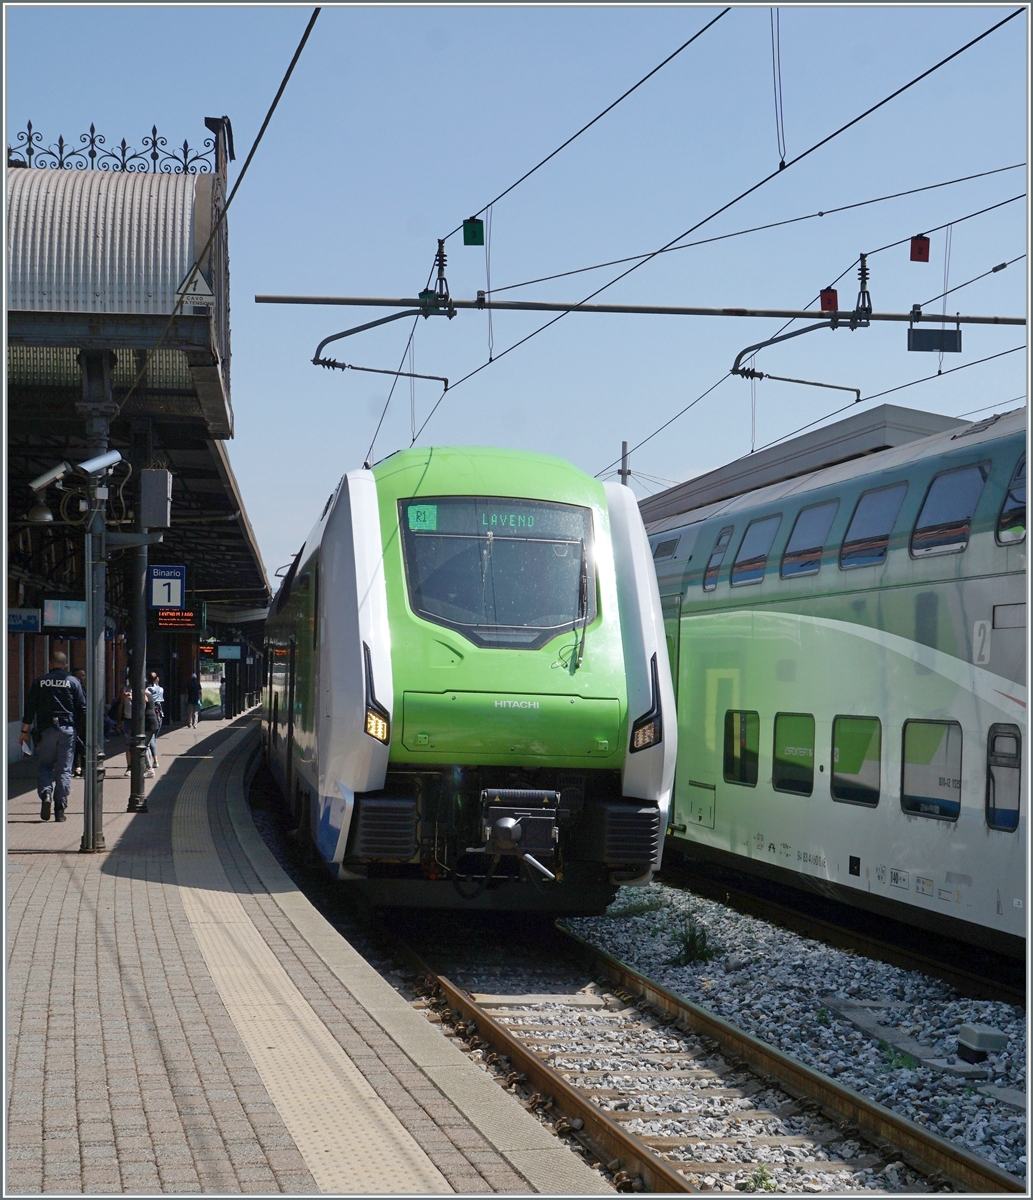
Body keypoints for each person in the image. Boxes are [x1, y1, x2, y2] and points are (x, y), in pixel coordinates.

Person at [19, 650, 86, 822]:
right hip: (67, 729)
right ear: (65, 666)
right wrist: (81, 730)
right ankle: (59, 809)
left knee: (45, 765)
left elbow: (30, 708)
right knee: (64, 770)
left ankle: (46, 793)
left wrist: (24, 731)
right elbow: (82, 709)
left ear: (50, 664)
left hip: (46, 730)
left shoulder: (40, 682)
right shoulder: (74, 682)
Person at [146, 672, 165, 768]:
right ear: (157, 679)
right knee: (154, 737)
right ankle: (154, 759)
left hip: (150, 713)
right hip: (159, 714)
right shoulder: (160, 689)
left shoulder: (147, 690)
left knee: (150, 739)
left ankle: (154, 760)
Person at [72, 668, 87, 777]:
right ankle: (78, 766)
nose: (84, 678)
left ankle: (82, 767)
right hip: (77, 720)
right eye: (82, 675)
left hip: (82, 721)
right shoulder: (76, 687)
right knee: (78, 744)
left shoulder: (83, 687)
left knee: (83, 743)